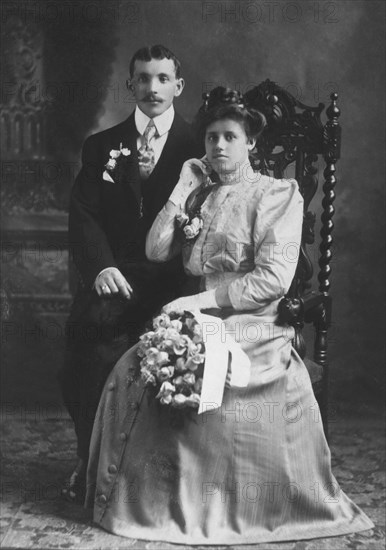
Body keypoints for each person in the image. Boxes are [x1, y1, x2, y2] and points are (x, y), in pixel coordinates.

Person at [85, 87, 374, 544]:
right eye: (211, 137)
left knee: (209, 378)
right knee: (134, 368)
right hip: (200, 317)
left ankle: (217, 504)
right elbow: (156, 250)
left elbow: (273, 280)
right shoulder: (199, 195)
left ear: (251, 143)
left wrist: (198, 303)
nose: (218, 146)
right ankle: (153, 500)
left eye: (230, 137)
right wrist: (183, 188)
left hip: (256, 322)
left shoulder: (276, 195)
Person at [60, 44, 201, 503]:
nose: (152, 87)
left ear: (178, 86)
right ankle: (90, 458)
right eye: (143, 78)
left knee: (179, 350)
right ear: (130, 86)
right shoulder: (103, 145)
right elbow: (83, 214)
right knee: (88, 338)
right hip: (117, 276)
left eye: (163, 78)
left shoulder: (201, 145)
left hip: (178, 281)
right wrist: (101, 265)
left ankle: (163, 474)